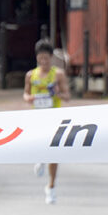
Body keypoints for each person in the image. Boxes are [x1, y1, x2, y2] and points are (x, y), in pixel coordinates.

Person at [23, 40, 71, 204]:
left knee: (54, 153)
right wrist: (29, 98)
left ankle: (51, 187)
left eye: (46, 59)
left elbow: (67, 97)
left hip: (54, 117)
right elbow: (26, 94)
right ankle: (39, 158)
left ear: (51, 58)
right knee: (40, 146)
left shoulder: (58, 75)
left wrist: (58, 94)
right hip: (37, 117)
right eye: (40, 59)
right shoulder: (31, 75)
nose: (43, 62)